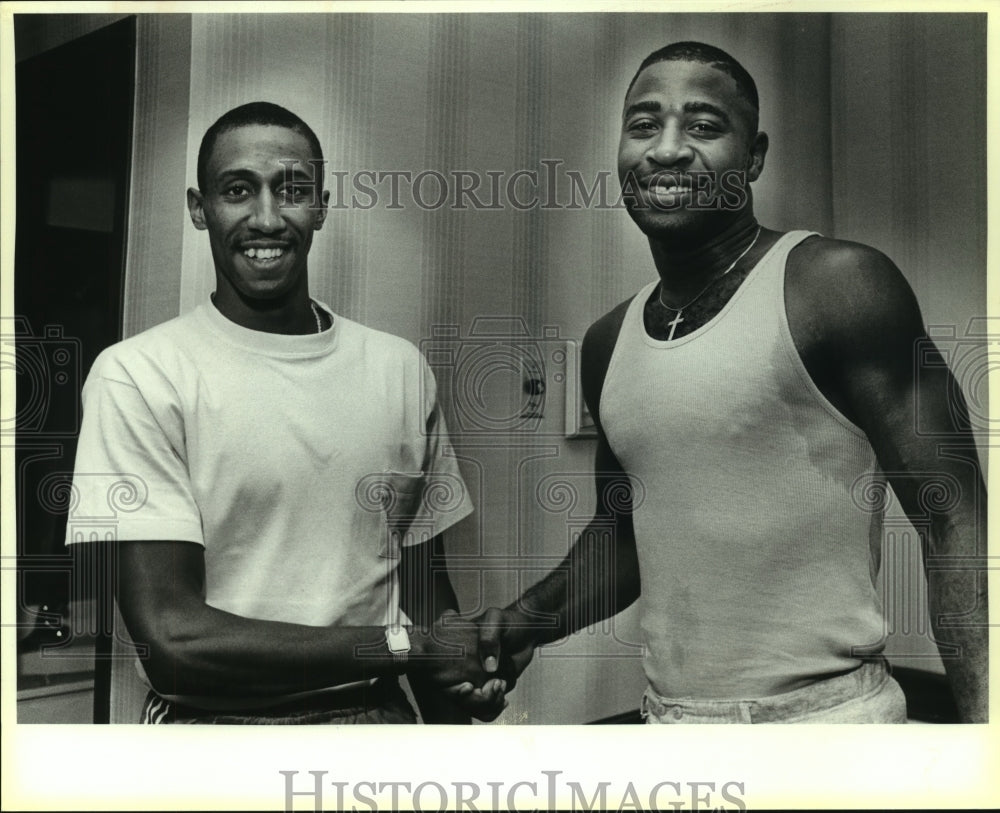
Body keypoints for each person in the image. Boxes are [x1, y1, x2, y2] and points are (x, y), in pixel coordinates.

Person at [471, 42, 988, 723]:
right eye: (644, 124)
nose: (668, 149)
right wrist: (521, 623)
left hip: (831, 729)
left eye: (704, 126)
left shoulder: (836, 284)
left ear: (754, 155)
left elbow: (954, 516)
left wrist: (989, 738)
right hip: (672, 732)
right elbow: (625, 535)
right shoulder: (608, 341)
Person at [66, 102, 505, 724]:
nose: (267, 218)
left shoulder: (398, 367)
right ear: (200, 208)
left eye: (292, 189)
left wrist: (460, 686)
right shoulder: (139, 374)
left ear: (321, 205)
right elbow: (172, 643)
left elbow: (421, 587)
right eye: (238, 190)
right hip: (213, 730)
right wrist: (411, 649)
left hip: (375, 718)